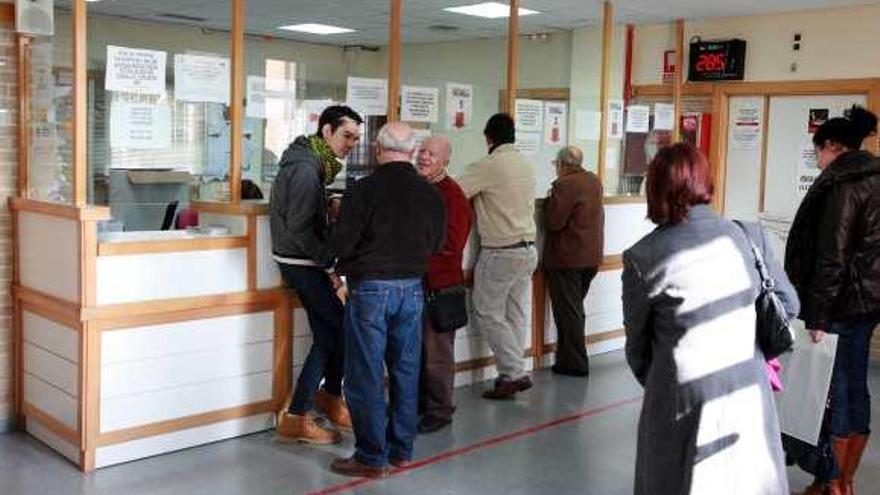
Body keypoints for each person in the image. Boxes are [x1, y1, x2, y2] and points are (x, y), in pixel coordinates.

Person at [623, 143, 798, 495]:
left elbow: (638, 349)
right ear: (706, 182)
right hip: (745, 386)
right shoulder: (748, 236)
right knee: (744, 479)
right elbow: (788, 305)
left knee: (680, 480)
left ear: (654, 189)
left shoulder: (642, 257)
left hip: (680, 395)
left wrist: (663, 382)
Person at [330, 123, 446, 478]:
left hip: (371, 291)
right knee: (406, 370)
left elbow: (342, 246)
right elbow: (437, 244)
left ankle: (370, 455)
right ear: (411, 152)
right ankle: (401, 450)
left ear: (378, 150)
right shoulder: (431, 194)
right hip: (412, 289)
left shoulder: (363, 190)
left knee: (365, 373)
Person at [785, 105, 880, 495]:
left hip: (840, 304)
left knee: (838, 388)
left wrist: (819, 316)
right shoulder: (874, 178)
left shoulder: (843, 184)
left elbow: (833, 255)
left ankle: (836, 483)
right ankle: (843, 479)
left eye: (817, 152)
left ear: (832, 146)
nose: (818, 159)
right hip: (870, 300)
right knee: (856, 384)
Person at [270, 105, 363, 444]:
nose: (352, 143)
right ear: (326, 132)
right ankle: (298, 413)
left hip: (305, 260)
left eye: (356, 138)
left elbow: (307, 214)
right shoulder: (308, 168)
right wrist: (329, 267)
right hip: (302, 264)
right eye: (346, 135)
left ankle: (328, 398)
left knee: (336, 332)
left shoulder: (313, 162)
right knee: (335, 333)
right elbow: (299, 226)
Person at [457, 113, 538, 400]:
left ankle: (514, 372)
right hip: (528, 250)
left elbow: (455, 192)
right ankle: (508, 375)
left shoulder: (490, 165)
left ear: (488, 138)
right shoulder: (526, 164)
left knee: (488, 311)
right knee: (515, 312)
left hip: (501, 251)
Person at [415, 136, 472, 433]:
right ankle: (417, 404)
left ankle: (439, 409)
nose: (424, 157)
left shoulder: (452, 195)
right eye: (422, 151)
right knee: (415, 351)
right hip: (414, 285)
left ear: (445, 161)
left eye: (431, 154)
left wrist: (414, 254)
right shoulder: (416, 188)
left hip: (438, 287)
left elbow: (452, 244)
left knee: (436, 354)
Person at [543, 146, 603, 377]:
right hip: (590, 257)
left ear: (561, 164)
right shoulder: (593, 180)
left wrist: (550, 202)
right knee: (575, 310)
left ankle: (574, 363)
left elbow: (554, 222)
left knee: (568, 313)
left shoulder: (564, 185)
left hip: (567, 259)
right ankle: (571, 358)